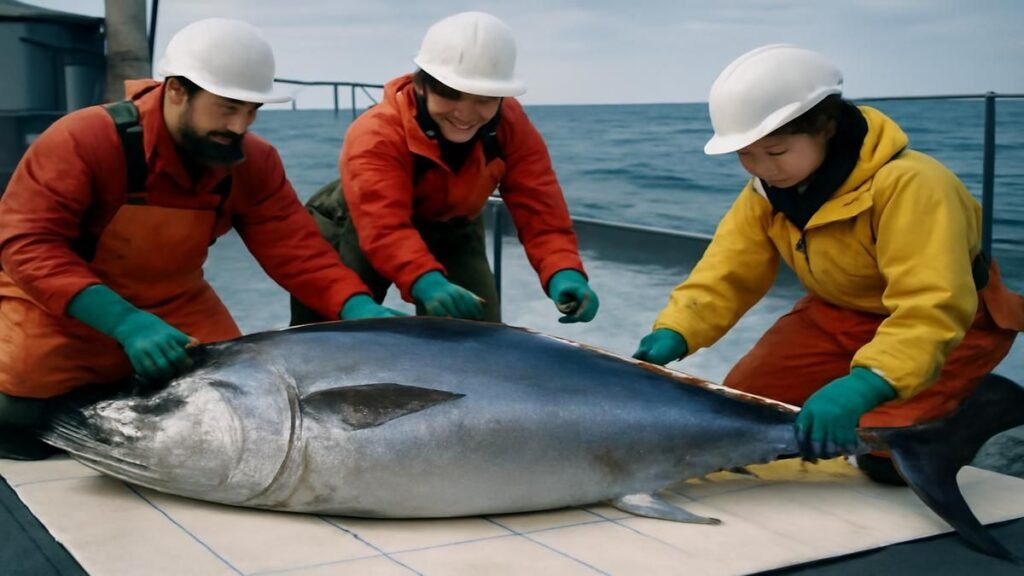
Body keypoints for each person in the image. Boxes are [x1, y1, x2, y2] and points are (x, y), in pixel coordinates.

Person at [0, 18, 403, 459]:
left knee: (242, 397)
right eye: (228, 107)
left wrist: (357, 306)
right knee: (19, 413)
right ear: (176, 90)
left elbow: (298, 250)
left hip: (175, 304)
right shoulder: (85, 140)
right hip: (63, 309)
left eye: (251, 110)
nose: (240, 125)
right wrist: (125, 323)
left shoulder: (252, 161)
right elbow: (28, 245)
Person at [632, 44, 1024, 483]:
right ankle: (900, 389)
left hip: (952, 322)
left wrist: (868, 382)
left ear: (827, 127)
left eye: (776, 152)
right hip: (836, 313)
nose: (763, 168)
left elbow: (932, 304)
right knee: (743, 413)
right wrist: (675, 332)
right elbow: (727, 271)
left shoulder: (914, 185)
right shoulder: (765, 193)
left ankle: (970, 403)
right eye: (747, 155)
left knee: (888, 462)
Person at [290, 11, 599, 326]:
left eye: (484, 99)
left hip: (455, 227)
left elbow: (541, 212)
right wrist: (424, 279)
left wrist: (564, 270)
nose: (465, 113)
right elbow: (383, 226)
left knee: (477, 337)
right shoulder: (375, 133)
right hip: (360, 223)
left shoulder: (511, 126)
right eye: (449, 93)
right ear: (421, 85)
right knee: (328, 332)